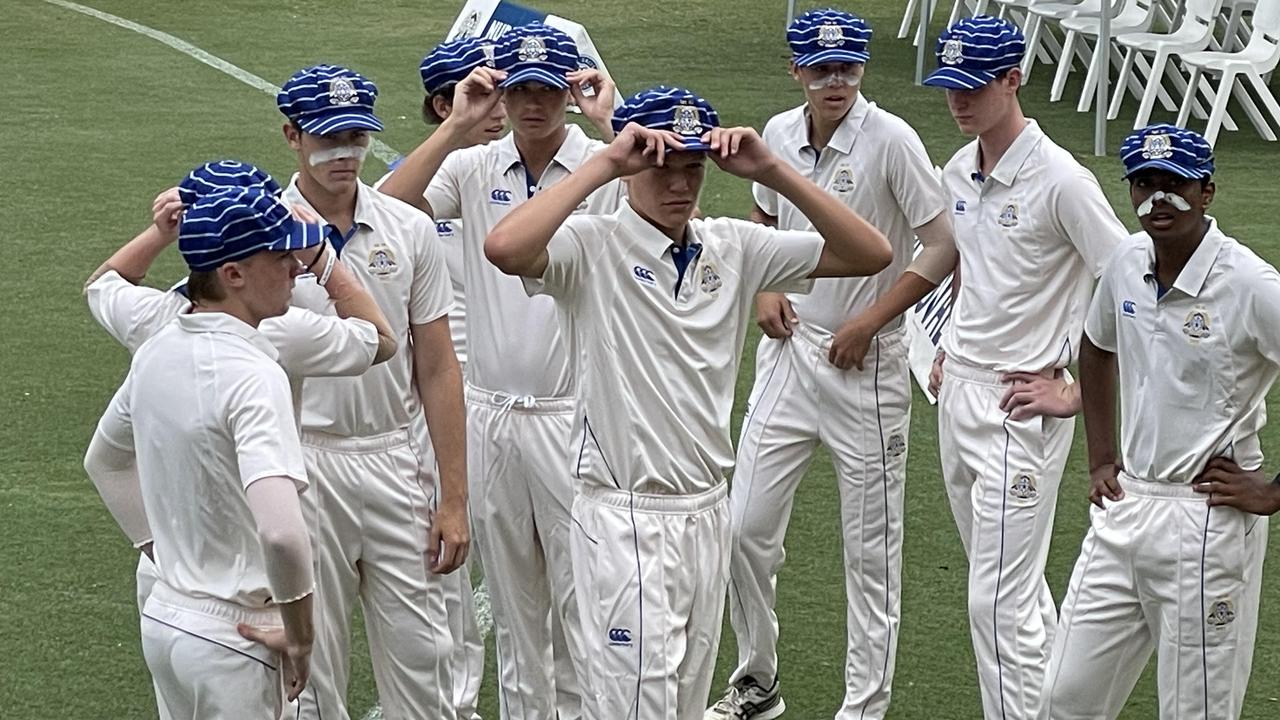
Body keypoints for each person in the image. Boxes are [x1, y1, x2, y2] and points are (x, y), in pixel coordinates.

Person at [485, 86, 893, 720]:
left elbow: (872, 253)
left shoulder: (735, 246)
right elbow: (505, 248)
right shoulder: (590, 247)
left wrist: (774, 172)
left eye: (693, 168)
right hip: (624, 518)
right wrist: (605, 164)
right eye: (662, 165)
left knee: (681, 704)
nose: (680, 184)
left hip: (707, 515)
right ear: (630, 163)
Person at [84, 159, 398, 720]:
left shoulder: (156, 346)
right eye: (280, 256)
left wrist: (161, 551)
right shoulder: (260, 366)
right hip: (239, 631)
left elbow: (104, 461)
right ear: (232, 274)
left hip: (168, 611)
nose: (295, 268)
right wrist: (302, 636)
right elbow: (280, 533)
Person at [711, 10, 956, 719]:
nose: (835, 81)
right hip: (789, 353)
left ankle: (863, 709)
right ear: (796, 72)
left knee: (870, 555)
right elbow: (762, 220)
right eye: (821, 69)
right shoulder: (778, 134)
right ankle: (757, 679)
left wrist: (872, 321)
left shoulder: (893, 141)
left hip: (868, 366)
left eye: (847, 66)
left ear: (861, 69)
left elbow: (939, 246)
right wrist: (763, 289)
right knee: (743, 528)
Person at [378, 24, 621, 720]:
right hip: (488, 415)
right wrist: (455, 125)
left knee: (586, 603)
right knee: (515, 612)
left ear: (570, 93)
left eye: (549, 90)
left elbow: (673, 195)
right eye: (521, 90)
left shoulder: (601, 165)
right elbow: (387, 211)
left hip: (573, 415)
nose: (534, 105)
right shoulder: (474, 166)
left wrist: (611, 121)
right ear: (503, 94)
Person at [921, 16, 1128, 719]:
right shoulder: (956, 171)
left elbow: (1130, 284)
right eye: (950, 87)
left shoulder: (1063, 180)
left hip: (1022, 407)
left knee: (995, 600)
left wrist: (1072, 388)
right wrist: (949, 347)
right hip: (961, 395)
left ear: (1013, 79)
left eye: (973, 86)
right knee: (1012, 589)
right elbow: (974, 275)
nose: (958, 101)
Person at [1041, 124, 1279, 719]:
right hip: (1126, 509)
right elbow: (1097, 347)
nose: (1157, 200)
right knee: (1064, 699)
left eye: (1174, 185)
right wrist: (1099, 458)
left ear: (1207, 193)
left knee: (1196, 709)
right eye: (1144, 184)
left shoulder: (1250, 285)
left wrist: (1273, 492)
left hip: (1207, 518)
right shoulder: (1125, 259)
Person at [276, 63, 468, 720]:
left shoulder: (409, 228)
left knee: (425, 663)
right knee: (312, 676)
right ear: (291, 136)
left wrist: (455, 499)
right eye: (328, 138)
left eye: (356, 136)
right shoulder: (261, 231)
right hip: (302, 462)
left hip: (394, 456)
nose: (345, 154)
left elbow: (438, 365)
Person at [378, 36, 508, 720]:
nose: (497, 106)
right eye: (477, 93)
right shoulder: (434, 184)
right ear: (442, 103)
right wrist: (458, 131)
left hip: (532, 397)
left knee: (539, 577)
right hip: (446, 408)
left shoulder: (522, 170)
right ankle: (456, 708)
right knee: (448, 576)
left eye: (504, 91)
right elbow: (379, 208)